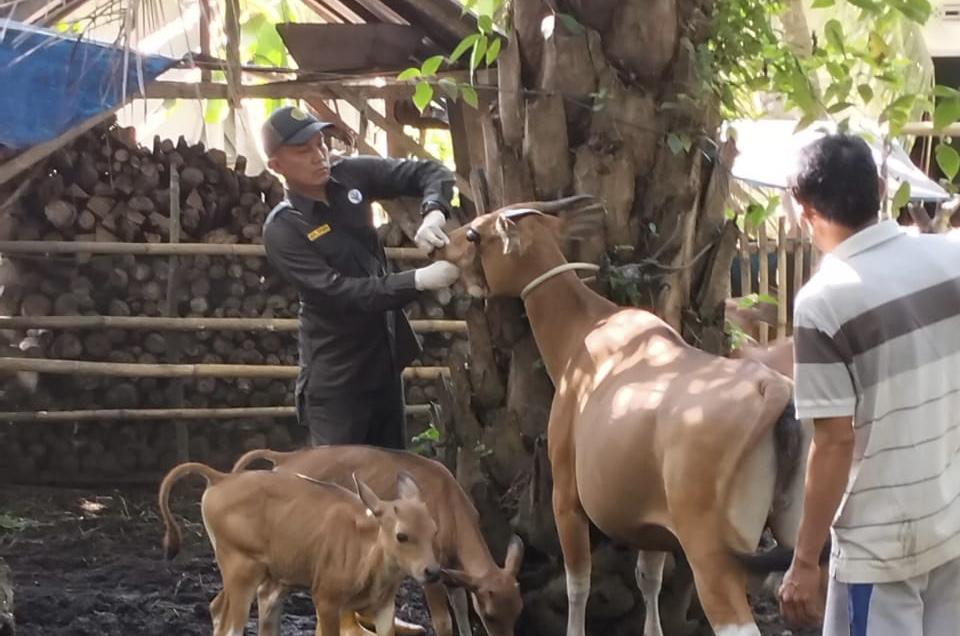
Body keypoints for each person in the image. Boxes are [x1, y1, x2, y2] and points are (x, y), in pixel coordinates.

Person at [778, 133, 960, 635]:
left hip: (879, 552)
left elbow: (834, 441)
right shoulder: (950, 258)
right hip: (951, 526)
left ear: (805, 208)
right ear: (880, 187)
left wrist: (805, 561)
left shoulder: (824, 303)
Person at [260, 105, 460, 450]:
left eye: (321, 144)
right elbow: (340, 293)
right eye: (303, 151)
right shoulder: (283, 228)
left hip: (384, 365)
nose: (318, 155)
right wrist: (417, 281)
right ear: (276, 166)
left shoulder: (350, 175)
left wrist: (434, 213)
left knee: (390, 477)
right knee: (340, 490)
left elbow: (430, 171)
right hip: (337, 380)